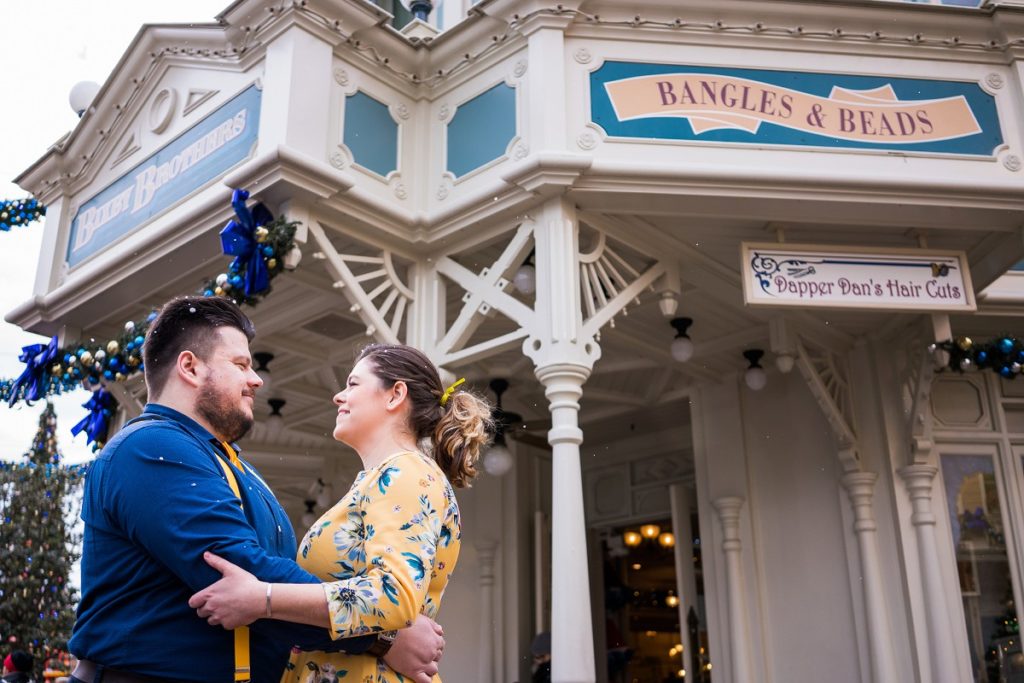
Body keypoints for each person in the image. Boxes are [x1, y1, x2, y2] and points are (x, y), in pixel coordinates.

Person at [67, 296, 443, 683]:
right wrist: (382, 637)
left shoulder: (230, 464)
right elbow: (240, 571)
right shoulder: (151, 447)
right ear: (190, 367)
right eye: (240, 365)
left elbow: (264, 586)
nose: (256, 378)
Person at [189, 343, 492, 682]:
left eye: (353, 384)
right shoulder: (384, 478)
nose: (338, 396)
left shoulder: (406, 473)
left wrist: (264, 598)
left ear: (395, 395)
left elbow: (393, 597)